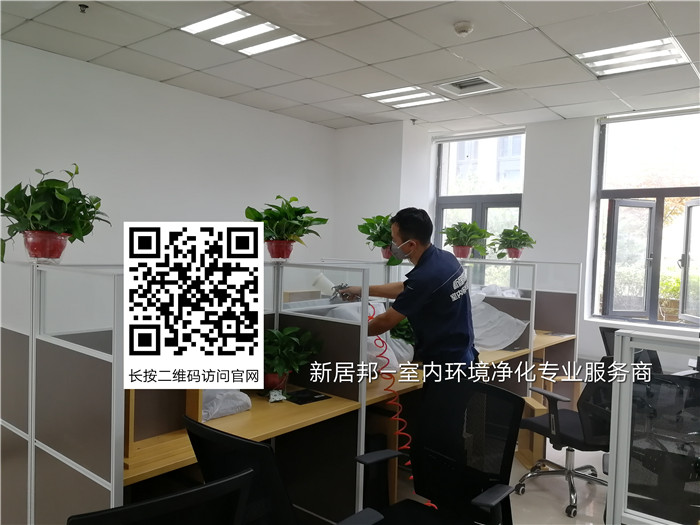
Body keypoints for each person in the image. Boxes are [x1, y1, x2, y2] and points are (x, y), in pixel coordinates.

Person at [341, 207, 478, 368]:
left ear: (411, 244)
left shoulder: (426, 277)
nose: (392, 245)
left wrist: (347, 332)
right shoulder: (446, 259)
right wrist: (362, 289)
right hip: (464, 354)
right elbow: (404, 288)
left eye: (394, 240)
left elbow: (385, 321)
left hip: (448, 364)